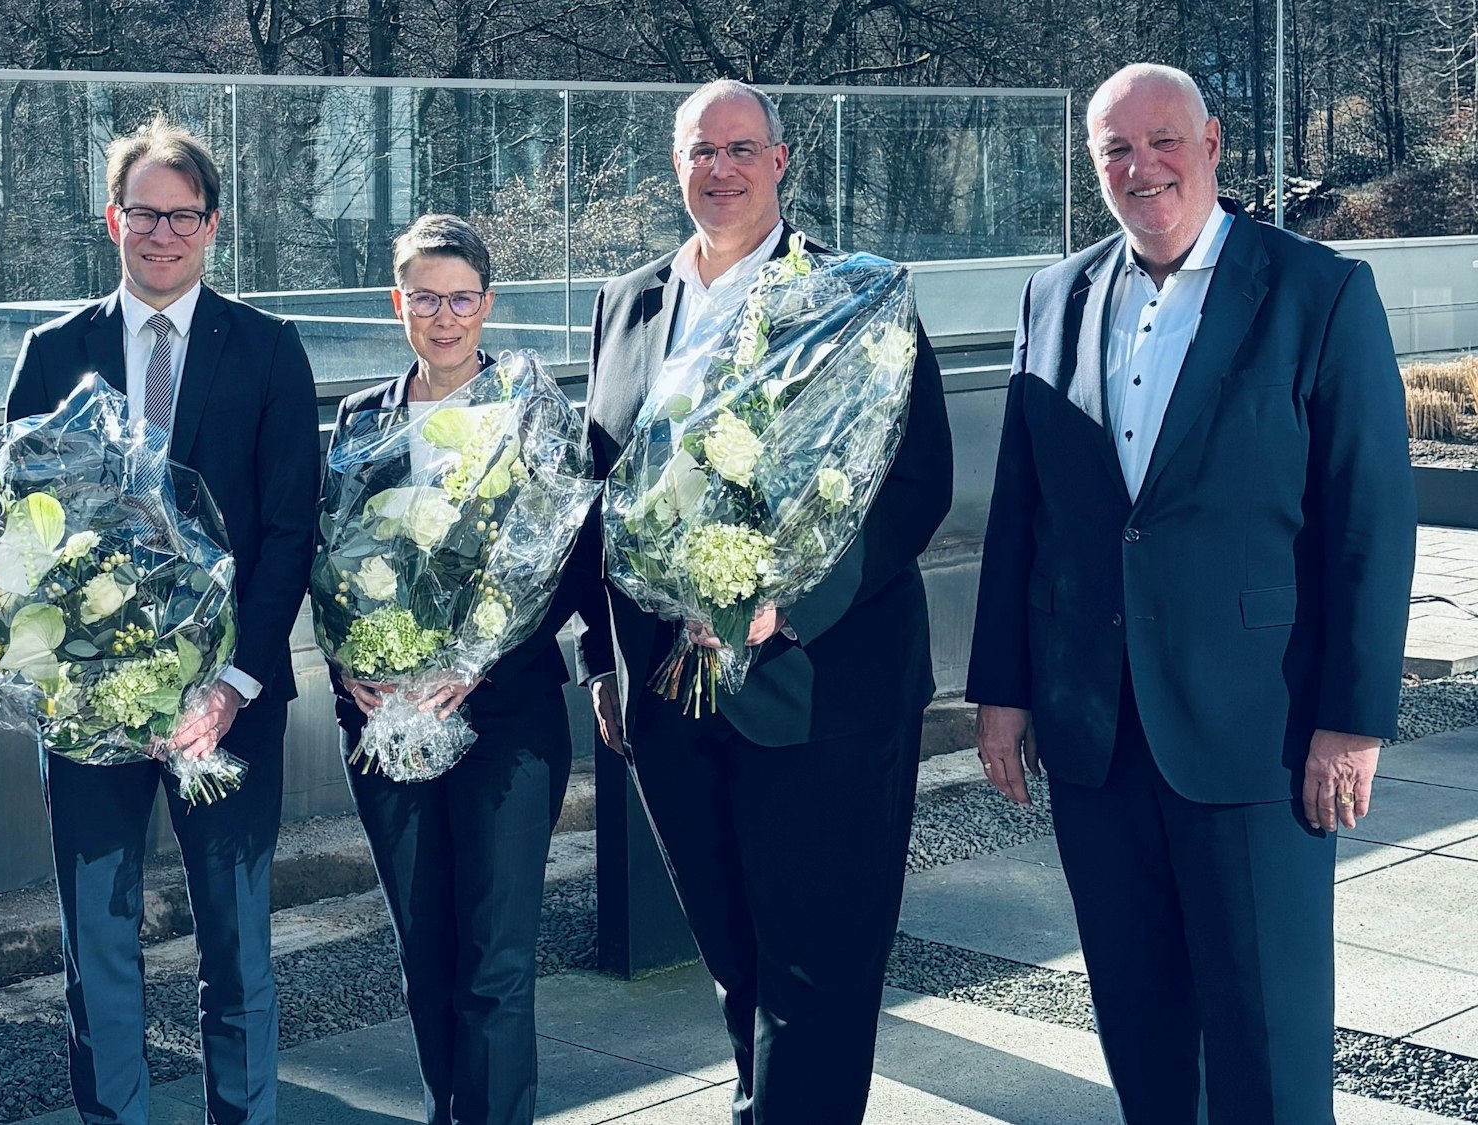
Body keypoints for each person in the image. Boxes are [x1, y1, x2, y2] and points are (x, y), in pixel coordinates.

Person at [966, 63, 1415, 1124]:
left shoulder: (1316, 291)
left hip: (1255, 730)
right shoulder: (1052, 293)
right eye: (1115, 150)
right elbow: (1021, 516)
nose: (1141, 166)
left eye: (1162, 140)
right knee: (1138, 1028)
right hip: (1093, 732)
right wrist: (1001, 689)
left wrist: (1349, 723)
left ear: (1212, 143)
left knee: (1266, 1042)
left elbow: (1367, 521)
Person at [577, 79, 954, 1123]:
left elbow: (913, 479)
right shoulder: (627, 300)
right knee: (730, 950)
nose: (721, 168)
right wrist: (599, 663)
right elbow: (595, 492)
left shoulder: (852, 293)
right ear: (675, 164)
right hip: (667, 691)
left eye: (742, 148)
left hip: (818, 683)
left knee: (817, 965)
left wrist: (785, 605)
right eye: (701, 150)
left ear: (780, 161)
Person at [4, 115, 319, 1125]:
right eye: (144, 212)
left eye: (183, 216)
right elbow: (13, 532)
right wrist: (60, 674)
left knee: (235, 946)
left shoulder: (268, 351)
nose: (162, 233)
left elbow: (286, 531)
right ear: (113, 219)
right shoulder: (52, 351)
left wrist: (231, 686)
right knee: (97, 947)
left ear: (212, 226)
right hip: (88, 711)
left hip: (224, 707)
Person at [325, 214, 576, 1125]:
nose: (442, 316)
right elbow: (332, 565)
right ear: (398, 303)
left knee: (496, 958)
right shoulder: (359, 422)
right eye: (424, 297)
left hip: (504, 719)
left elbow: (566, 566)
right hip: (387, 721)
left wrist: (476, 661)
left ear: (487, 303)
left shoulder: (530, 409)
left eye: (460, 298)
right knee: (425, 950)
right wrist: (346, 663)